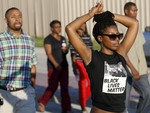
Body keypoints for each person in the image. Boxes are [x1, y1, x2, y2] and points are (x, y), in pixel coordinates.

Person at [66, 1, 138, 113]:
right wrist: (90, 15)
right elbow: (70, 28)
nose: (118, 39)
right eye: (113, 36)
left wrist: (109, 15)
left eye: (119, 36)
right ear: (100, 38)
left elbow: (134, 23)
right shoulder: (91, 56)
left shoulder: (121, 54)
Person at [0, 7, 37, 113]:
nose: (17, 19)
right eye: (13, 17)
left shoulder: (29, 40)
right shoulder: (1, 40)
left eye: (19, 16)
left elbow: (32, 66)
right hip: (4, 94)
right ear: (6, 20)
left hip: (26, 94)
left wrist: (33, 89)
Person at [117, 2, 150, 113]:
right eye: (133, 10)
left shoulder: (136, 25)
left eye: (136, 10)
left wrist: (142, 68)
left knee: (147, 94)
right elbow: (121, 51)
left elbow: (139, 49)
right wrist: (133, 68)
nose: (136, 12)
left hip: (141, 70)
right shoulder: (119, 27)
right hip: (127, 69)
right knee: (124, 102)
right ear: (126, 11)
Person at [38, 20, 71, 113]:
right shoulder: (48, 39)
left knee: (64, 87)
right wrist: (56, 65)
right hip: (53, 67)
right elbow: (48, 53)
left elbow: (65, 51)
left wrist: (66, 49)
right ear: (52, 28)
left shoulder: (63, 38)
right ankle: (42, 102)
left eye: (59, 26)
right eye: (56, 27)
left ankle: (66, 108)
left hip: (64, 66)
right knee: (53, 86)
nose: (58, 28)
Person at [69, 22, 93, 113]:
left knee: (90, 82)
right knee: (83, 83)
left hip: (88, 62)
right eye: (81, 23)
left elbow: (91, 49)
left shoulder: (88, 36)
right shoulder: (74, 37)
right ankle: (83, 106)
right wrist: (73, 66)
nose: (82, 25)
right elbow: (73, 54)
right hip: (79, 62)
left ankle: (83, 99)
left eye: (84, 24)